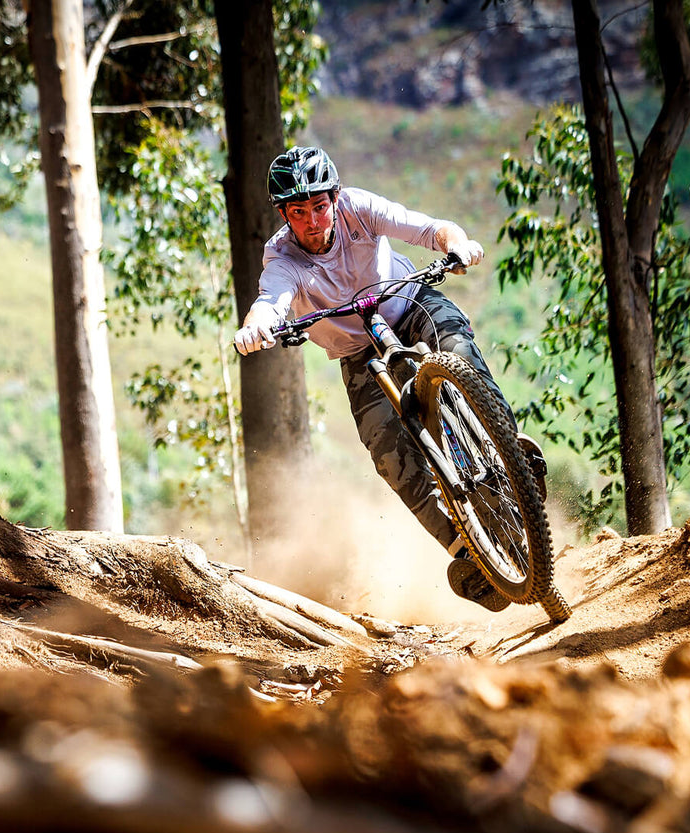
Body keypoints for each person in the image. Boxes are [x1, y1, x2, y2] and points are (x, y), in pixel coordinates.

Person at [233, 145, 544, 612]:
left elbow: (426, 227)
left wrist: (454, 243)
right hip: (356, 353)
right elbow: (271, 300)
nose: (314, 222)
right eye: (299, 212)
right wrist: (256, 326)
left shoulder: (360, 208)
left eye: (320, 206)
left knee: (458, 346)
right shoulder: (281, 258)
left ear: (335, 199)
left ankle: (506, 447)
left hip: (407, 303)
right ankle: (466, 553)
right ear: (284, 214)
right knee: (386, 447)